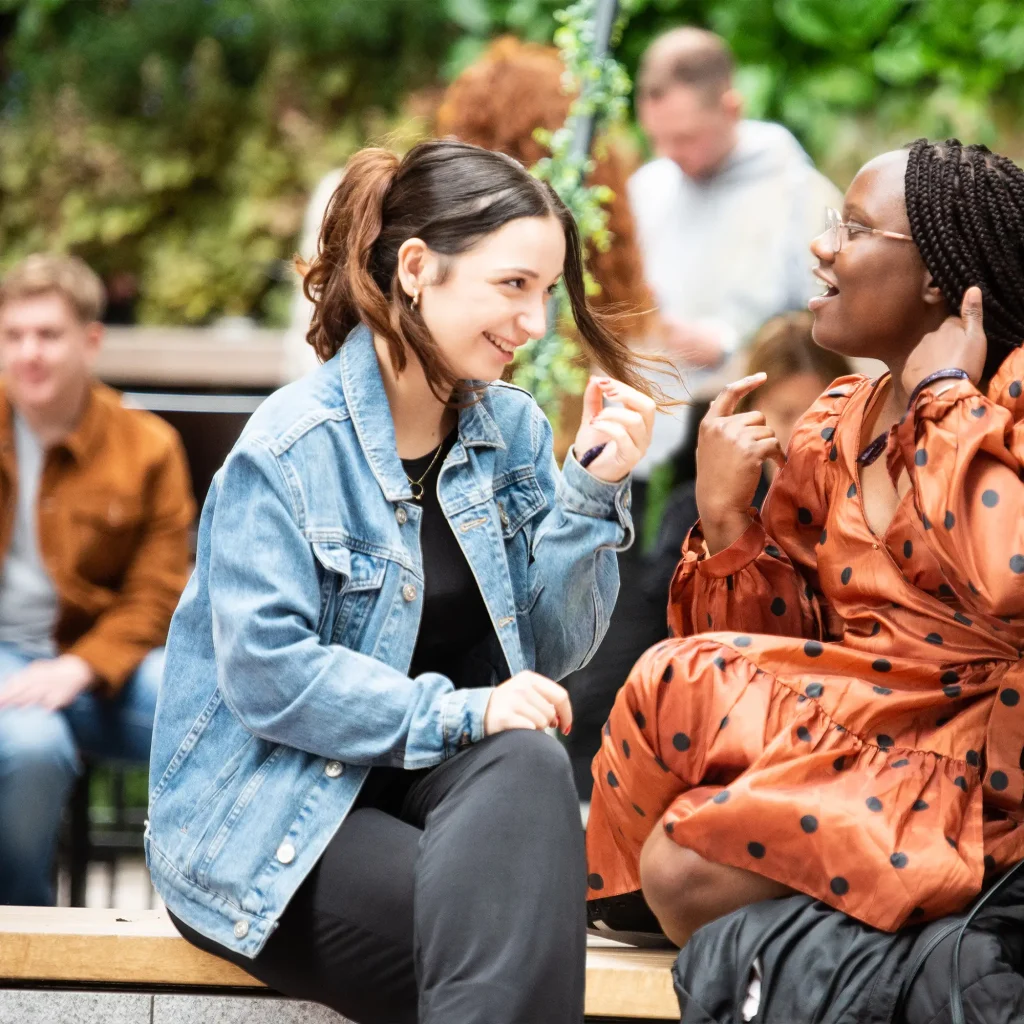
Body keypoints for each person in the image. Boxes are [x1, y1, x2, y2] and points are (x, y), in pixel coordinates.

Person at [146, 139, 657, 1024]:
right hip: (273, 808)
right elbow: (271, 675)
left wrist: (592, 490)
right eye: (513, 285)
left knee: (529, 760)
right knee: (511, 942)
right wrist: (461, 711)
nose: (537, 323)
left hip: (435, 794)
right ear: (418, 269)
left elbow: (543, 654)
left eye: (545, 291)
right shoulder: (291, 448)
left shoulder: (514, 434)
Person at [585, 137, 1024, 948]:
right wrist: (725, 518)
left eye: (854, 228)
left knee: (681, 867)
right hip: (853, 738)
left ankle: (940, 894)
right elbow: (783, 652)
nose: (822, 246)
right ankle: (859, 902)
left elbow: (1008, 572)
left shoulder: (1010, 393)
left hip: (975, 772)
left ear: (935, 276)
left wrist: (947, 403)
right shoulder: (835, 422)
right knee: (677, 680)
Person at [0, 254, 194, 906]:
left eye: (48, 335)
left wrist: (81, 667)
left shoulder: (147, 447)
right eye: (14, 335)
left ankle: (202, 914)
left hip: (102, 667)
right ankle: (23, 940)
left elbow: (160, 590)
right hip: (4, 663)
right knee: (30, 747)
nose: (29, 353)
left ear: (90, 340)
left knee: (208, 702)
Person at [628, 26, 843, 478]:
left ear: (732, 108)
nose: (669, 154)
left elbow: (830, 316)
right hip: (651, 418)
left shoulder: (797, 192)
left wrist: (727, 344)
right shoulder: (650, 185)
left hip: (755, 424)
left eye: (685, 138)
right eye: (658, 138)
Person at [648, 311, 852, 595]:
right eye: (785, 415)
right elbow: (653, 628)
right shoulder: (695, 513)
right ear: (752, 413)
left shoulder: (864, 506)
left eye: (819, 416)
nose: (801, 436)